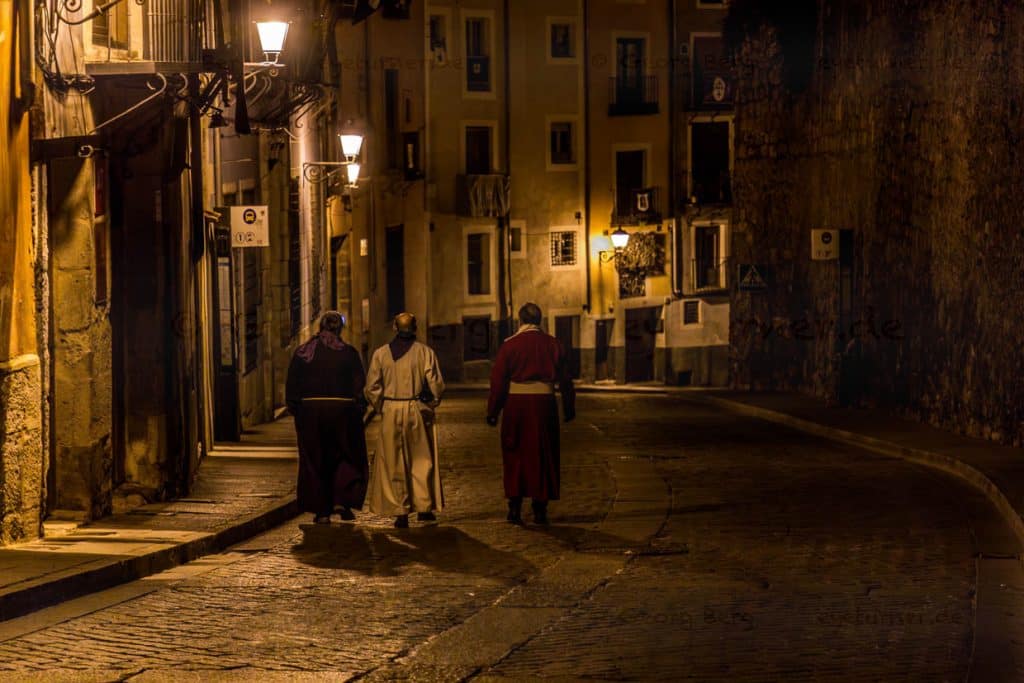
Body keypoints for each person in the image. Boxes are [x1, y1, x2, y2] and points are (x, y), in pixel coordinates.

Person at [487, 303, 576, 525]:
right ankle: (540, 507)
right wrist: (569, 407)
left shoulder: (509, 346)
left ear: (520, 320)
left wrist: (493, 410)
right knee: (543, 453)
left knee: (514, 452)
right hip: (545, 405)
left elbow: (498, 382)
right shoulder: (554, 344)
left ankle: (515, 507)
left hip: (516, 406)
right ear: (540, 320)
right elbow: (566, 379)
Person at [285, 311, 369, 524]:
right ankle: (342, 499)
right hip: (343, 413)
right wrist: (358, 407)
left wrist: (297, 409)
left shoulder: (303, 353)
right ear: (339, 328)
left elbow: (293, 385)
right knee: (343, 456)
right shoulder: (348, 353)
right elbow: (359, 384)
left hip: (310, 414)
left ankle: (322, 509)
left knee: (315, 460)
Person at [365, 312, 446, 528]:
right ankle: (423, 506)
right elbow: (436, 383)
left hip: (391, 408)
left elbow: (372, 386)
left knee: (393, 461)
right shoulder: (424, 353)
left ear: (394, 327)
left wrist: (382, 406)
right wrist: (432, 403)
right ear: (415, 328)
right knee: (421, 459)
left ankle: (399, 510)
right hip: (415, 408)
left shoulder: (381, 354)